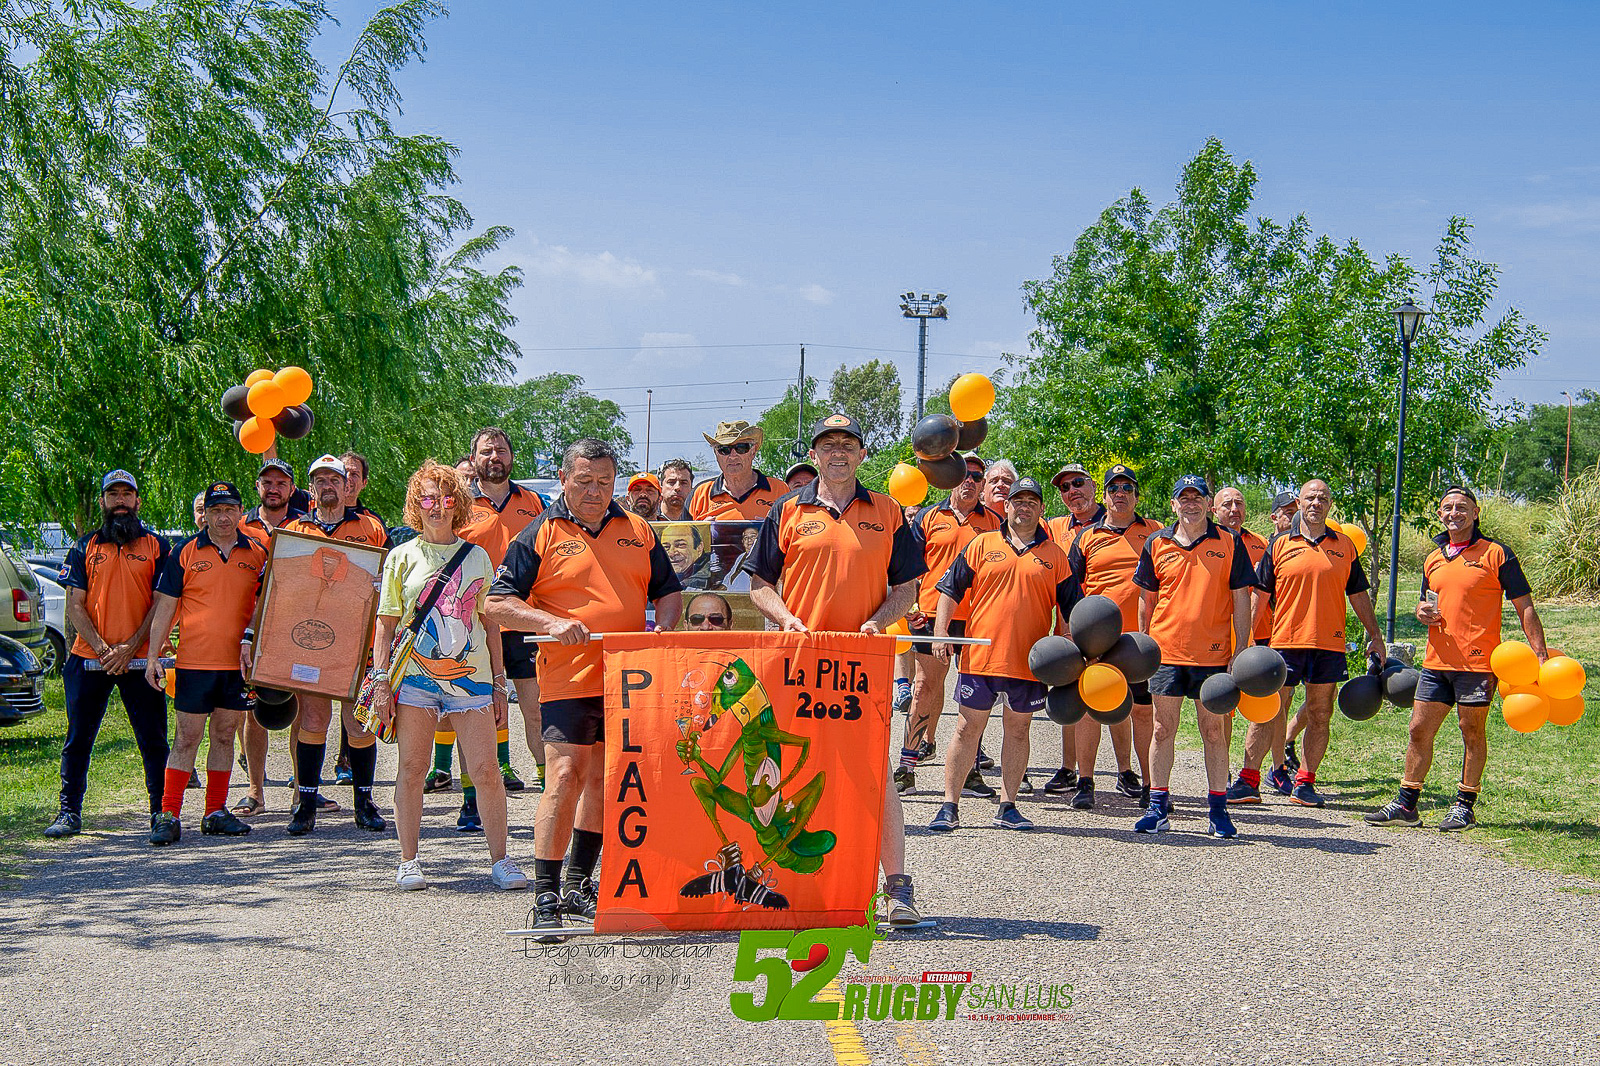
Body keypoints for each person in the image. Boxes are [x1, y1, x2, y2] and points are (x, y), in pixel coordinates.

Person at [487, 438, 683, 935]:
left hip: (628, 678)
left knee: (604, 779)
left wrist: (664, 627)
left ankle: (578, 882)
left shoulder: (638, 529)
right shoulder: (541, 532)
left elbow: (669, 592)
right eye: (584, 481)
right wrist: (548, 622)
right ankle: (545, 894)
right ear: (563, 479)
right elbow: (496, 603)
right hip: (567, 677)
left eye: (604, 481)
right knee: (566, 774)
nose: (595, 491)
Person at [747, 413, 928, 927]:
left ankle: (897, 888)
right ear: (816, 454)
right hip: (799, 663)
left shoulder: (889, 512)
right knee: (789, 769)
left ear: (862, 454)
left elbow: (907, 591)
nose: (839, 453)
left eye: (849, 444)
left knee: (873, 771)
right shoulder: (786, 510)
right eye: (829, 445)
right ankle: (782, 882)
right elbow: (759, 585)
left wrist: (877, 621)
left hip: (861, 663)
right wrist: (786, 618)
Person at [372, 460, 526, 891]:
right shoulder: (401, 557)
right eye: (427, 497)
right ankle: (408, 859)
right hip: (415, 682)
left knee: (485, 769)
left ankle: (501, 859)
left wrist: (499, 682)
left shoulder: (477, 557)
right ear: (415, 505)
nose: (436, 506)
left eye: (445, 498)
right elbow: (386, 623)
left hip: (472, 681)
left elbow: (490, 621)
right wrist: (381, 678)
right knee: (413, 766)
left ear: (457, 503)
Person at [1366, 486, 1548, 831]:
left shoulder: (1498, 553)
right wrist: (1421, 611)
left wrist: (1540, 655)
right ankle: (1407, 806)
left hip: (1478, 665)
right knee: (1419, 729)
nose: (1454, 513)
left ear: (1476, 512)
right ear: (1440, 514)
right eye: (1447, 508)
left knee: (1471, 731)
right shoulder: (1433, 558)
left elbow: (1524, 606)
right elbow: (1425, 601)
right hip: (1436, 663)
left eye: (1462, 507)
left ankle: (1465, 806)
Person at [928, 477, 1072, 832]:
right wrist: (941, 632)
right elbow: (949, 589)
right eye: (1017, 500)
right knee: (966, 729)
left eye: (1031, 501)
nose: (1024, 506)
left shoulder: (1055, 555)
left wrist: (1065, 649)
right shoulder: (982, 544)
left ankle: (1008, 805)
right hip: (981, 659)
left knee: (1019, 731)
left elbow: (1070, 609)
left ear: (1041, 509)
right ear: (1005, 506)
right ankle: (949, 805)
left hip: (1030, 662)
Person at [44, 471, 172, 839]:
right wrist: (103, 650)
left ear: (138, 501)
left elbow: (162, 603)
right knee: (78, 738)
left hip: (142, 660)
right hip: (89, 660)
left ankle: (160, 812)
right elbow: (74, 605)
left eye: (126, 494)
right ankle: (69, 811)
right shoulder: (83, 547)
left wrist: (130, 646)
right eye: (112, 494)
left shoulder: (158, 547)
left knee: (153, 740)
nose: (120, 500)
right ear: (102, 502)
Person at [143, 482, 268, 845]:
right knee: (186, 737)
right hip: (194, 662)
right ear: (205, 515)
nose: (224, 517)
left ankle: (215, 811)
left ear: (240, 512)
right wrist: (153, 655)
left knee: (225, 734)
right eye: (216, 511)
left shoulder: (257, 552)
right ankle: (168, 813)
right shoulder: (184, 551)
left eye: (230, 509)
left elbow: (266, 603)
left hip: (237, 664)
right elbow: (165, 605)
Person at [1249, 479, 1386, 807]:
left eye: (1322, 498)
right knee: (1269, 710)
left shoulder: (1344, 547)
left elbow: (1358, 595)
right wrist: (1245, 641)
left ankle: (1305, 782)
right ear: (1300, 502)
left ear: (1330, 504)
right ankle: (1249, 779)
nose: (1316, 503)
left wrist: (1376, 636)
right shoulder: (1280, 545)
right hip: (1285, 641)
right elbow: (1260, 596)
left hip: (1329, 644)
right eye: (1310, 498)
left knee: (1320, 712)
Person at [1133, 476, 1256, 838]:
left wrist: (1242, 648)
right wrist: (1144, 645)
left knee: (1213, 732)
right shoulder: (1157, 543)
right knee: (1161, 728)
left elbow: (1241, 598)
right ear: (1173, 505)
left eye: (1197, 497)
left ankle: (1218, 811)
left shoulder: (1230, 542)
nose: (1190, 504)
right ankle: (1157, 807)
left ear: (1208, 504)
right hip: (1166, 653)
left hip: (1213, 656)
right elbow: (1147, 599)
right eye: (1183, 498)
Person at [277, 455, 390, 836]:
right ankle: (305, 804)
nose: (327, 486)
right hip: (311, 640)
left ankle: (364, 801)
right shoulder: (295, 529)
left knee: (358, 722)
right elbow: (277, 588)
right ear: (311, 489)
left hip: (359, 641)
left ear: (347, 487)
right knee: (312, 719)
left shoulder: (371, 527)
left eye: (334, 480)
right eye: (319, 480)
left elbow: (389, 581)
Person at [448, 426, 546, 818]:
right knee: (475, 710)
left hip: (524, 619)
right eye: (486, 451)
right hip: (473, 622)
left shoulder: (534, 501)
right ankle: (472, 800)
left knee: (536, 706)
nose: (495, 457)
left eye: (501, 451)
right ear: (473, 459)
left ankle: (549, 787)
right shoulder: (458, 503)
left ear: (511, 457)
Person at [895, 452, 999, 796]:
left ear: (983, 485)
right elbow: (907, 568)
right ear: (951, 478)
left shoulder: (996, 521)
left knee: (975, 696)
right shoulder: (927, 516)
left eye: (977, 476)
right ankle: (907, 766)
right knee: (925, 686)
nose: (969, 480)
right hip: (929, 616)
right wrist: (909, 605)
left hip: (976, 620)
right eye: (964, 474)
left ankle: (969, 773)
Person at [1063, 464, 1160, 810]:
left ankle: (1152, 786)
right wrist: (1073, 637)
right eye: (1114, 489)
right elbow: (1071, 594)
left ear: (1136, 495)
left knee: (1143, 713)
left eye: (1127, 488)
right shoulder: (1086, 538)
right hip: (1097, 642)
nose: (1121, 494)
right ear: (1104, 496)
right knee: (1091, 709)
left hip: (1140, 642)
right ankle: (1086, 782)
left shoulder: (1156, 533)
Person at [235, 457, 309, 816]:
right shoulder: (238, 525)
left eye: (281, 483)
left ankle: (300, 789)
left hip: (295, 629)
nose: (274, 488)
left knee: (300, 706)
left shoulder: (305, 527)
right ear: (258, 487)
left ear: (291, 489)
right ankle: (255, 790)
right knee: (253, 710)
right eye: (268, 482)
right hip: (250, 629)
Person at [1218, 488, 1297, 803]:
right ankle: (1220, 770)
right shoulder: (1208, 541)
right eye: (1227, 504)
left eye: (1239, 503)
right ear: (1214, 508)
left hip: (1263, 638)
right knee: (1223, 707)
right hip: (1222, 638)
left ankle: (1277, 768)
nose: (1234, 509)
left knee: (1271, 705)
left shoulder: (1262, 545)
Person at [1041, 463, 1105, 795]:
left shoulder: (1112, 520)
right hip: (1067, 625)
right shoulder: (1053, 527)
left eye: (1078, 483)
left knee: (1115, 697)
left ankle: (1125, 771)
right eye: (1064, 487)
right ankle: (1068, 767)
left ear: (1093, 485)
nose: (1072, 491)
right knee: (1068, 696)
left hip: (1107, 627)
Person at [690, 420, 783, 520]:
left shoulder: (779, 489)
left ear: (753, 451)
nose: (733, 456)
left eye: (741, 448)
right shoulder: (700, 494)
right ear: (716, 454)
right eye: (724, 449)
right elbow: (683, 534)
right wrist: (701, 531)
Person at [660, 521, 716, 590]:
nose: (671, 553)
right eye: (666, 547)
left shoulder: (713, 581)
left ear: (699, 548)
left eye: (680, 545)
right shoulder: (655, 577)